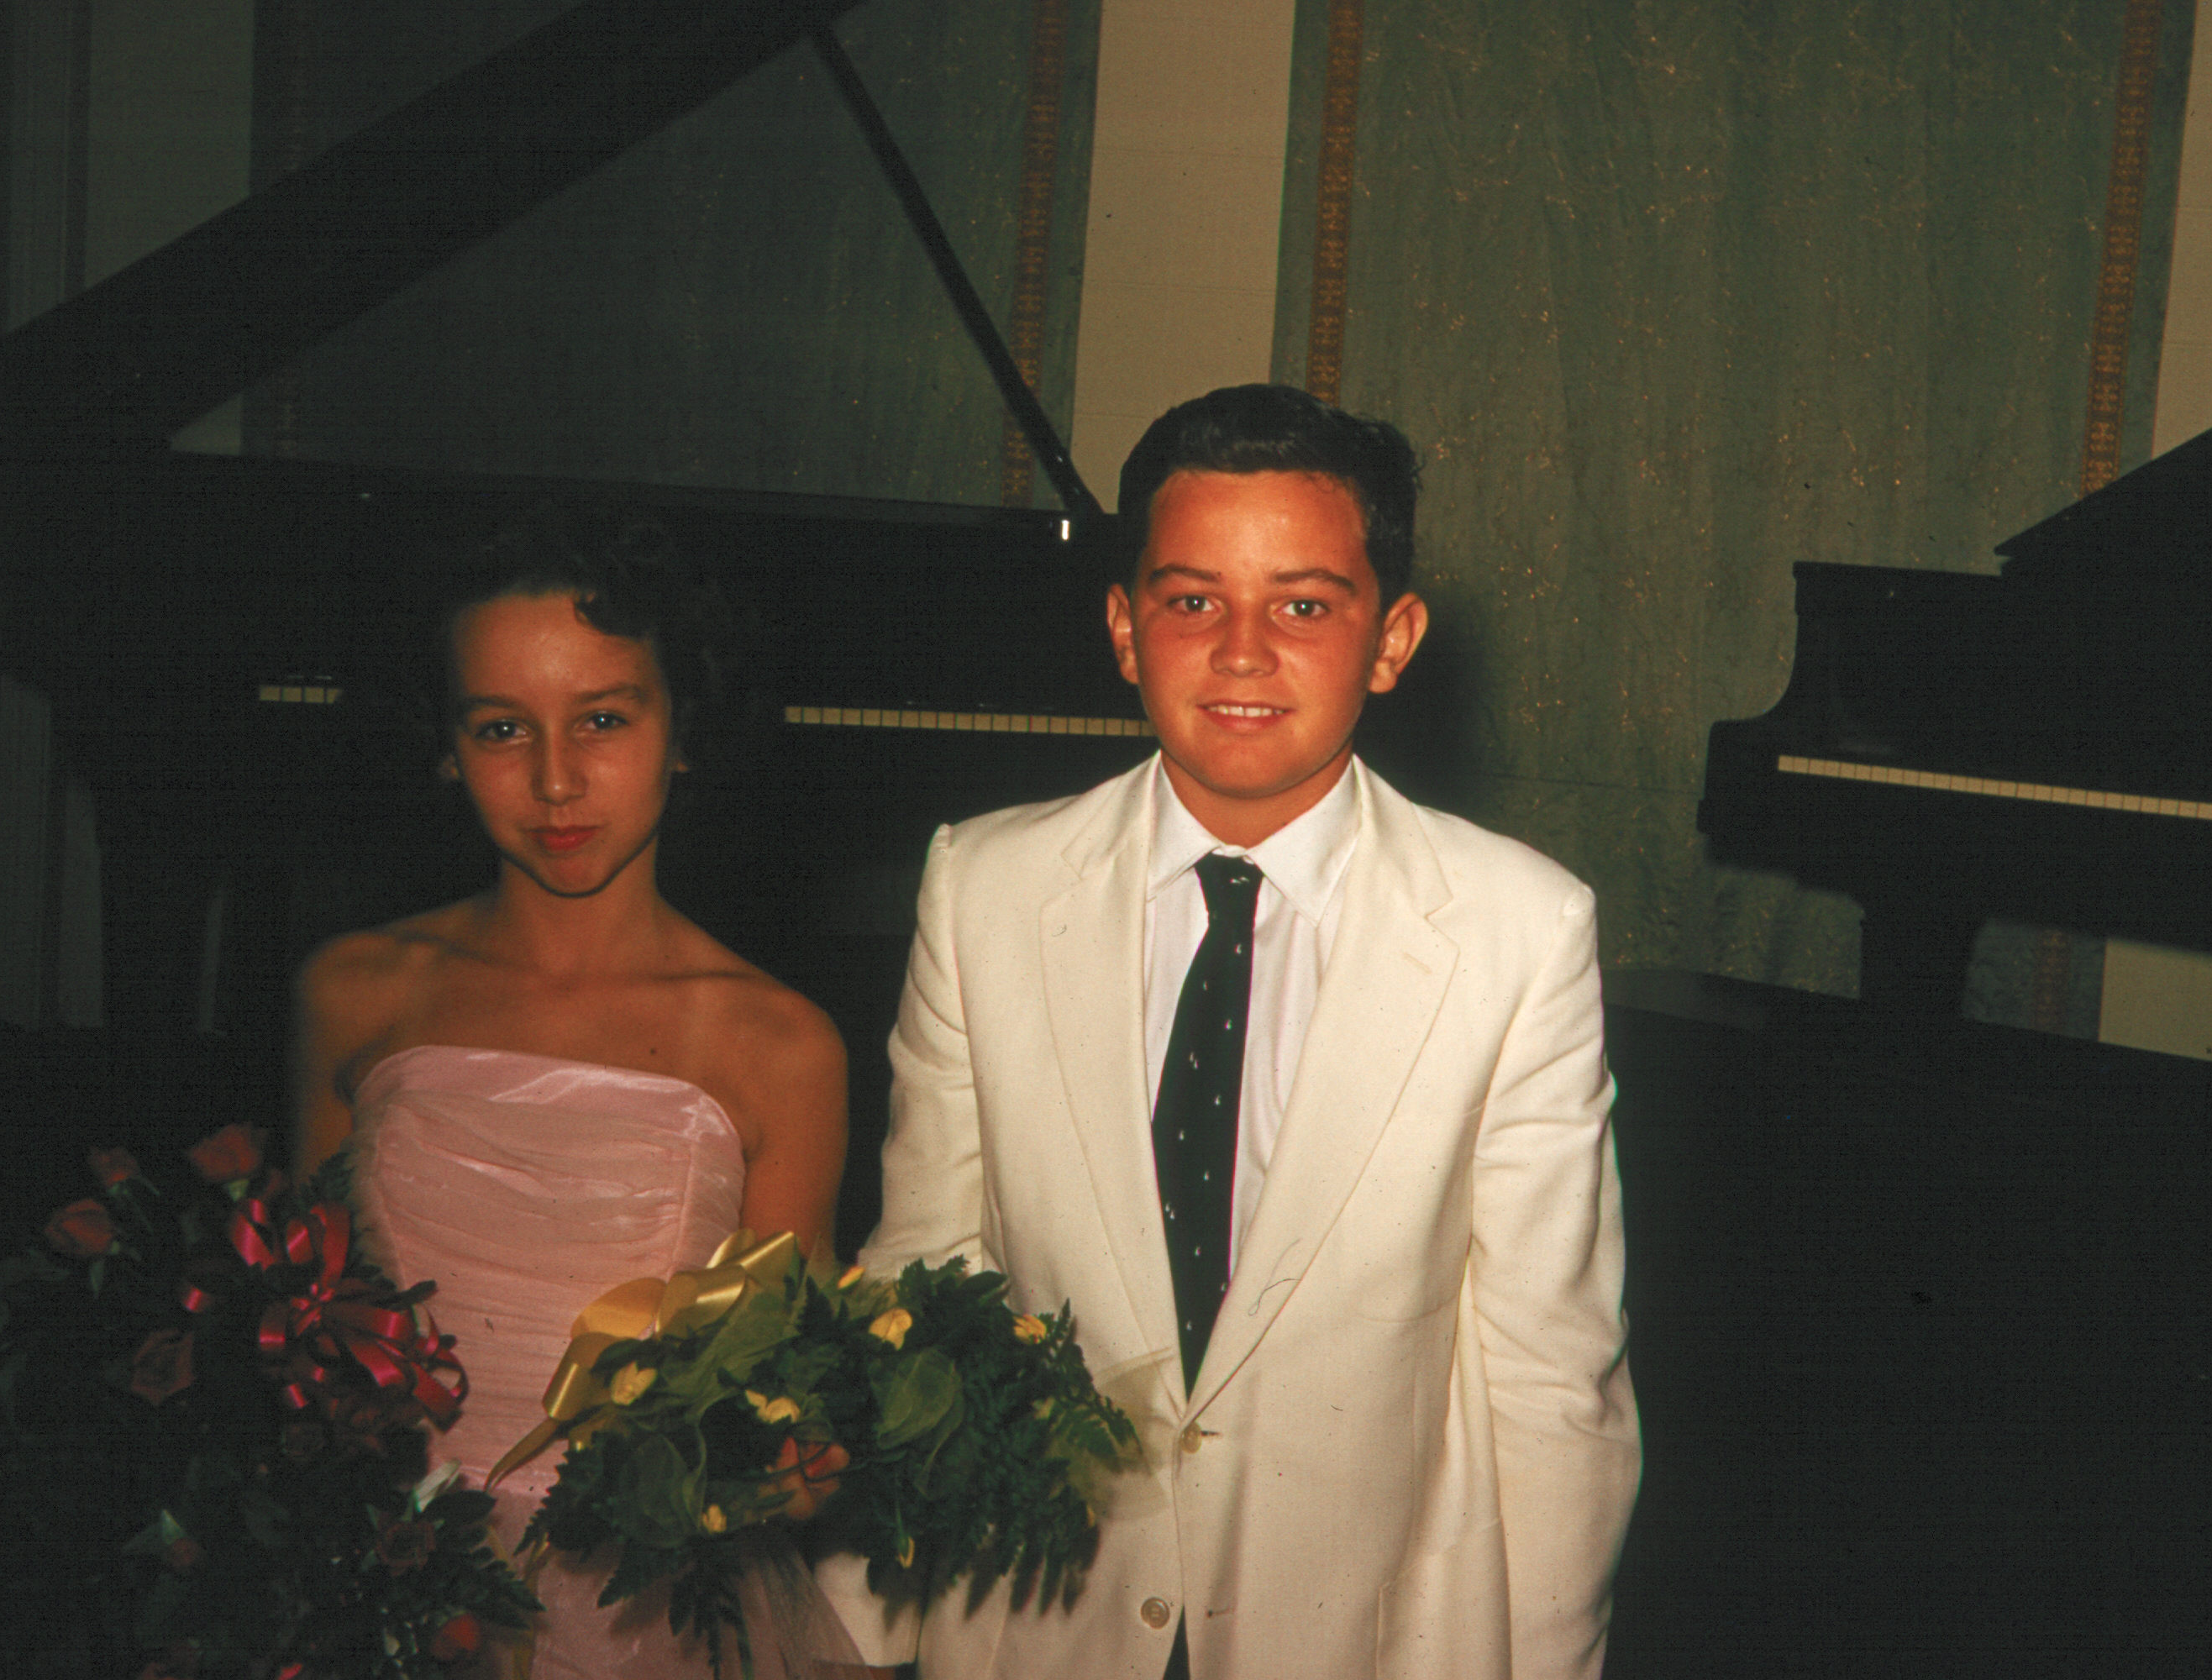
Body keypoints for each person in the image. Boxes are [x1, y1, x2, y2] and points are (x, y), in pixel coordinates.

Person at [830, 386, 1640, 1679]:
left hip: (1365, 1633)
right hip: (1041, 1621)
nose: (1243, 652)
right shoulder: (983, 890)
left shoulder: (1519, 930)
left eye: (1304, 607)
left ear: (1392, 639)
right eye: (1192, 601)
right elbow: (919, 1276)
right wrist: (856, 1632)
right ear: (1123, 628)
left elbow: (1553, 1374)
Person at [292, 502, 850, 1677]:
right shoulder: (354, 994)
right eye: (502, 728)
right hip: (391, 1587)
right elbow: (299, 1341)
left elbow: (789, 1403)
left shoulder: (780, 1044)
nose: (556, 780)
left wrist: (795, 1467)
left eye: (603, 719)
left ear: (684, 728)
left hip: (651, 1614)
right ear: (443, 745)